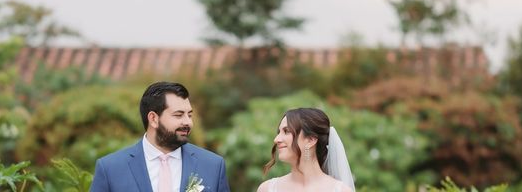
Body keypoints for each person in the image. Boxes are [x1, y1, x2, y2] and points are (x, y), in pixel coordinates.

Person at [90, 81, 231, 192]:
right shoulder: (110, 169)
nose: (188, 122)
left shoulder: (213, 165)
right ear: (153, 119)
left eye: (190, 115)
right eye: (178, 115)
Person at [256, 108, 355, 192]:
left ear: (311, 140)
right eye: (279, 132)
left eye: (286, 131)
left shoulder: (340, 190)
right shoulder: (267, 189)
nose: (276, 139)